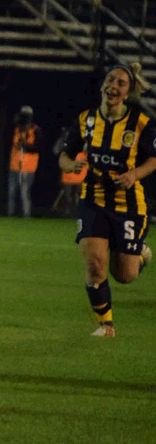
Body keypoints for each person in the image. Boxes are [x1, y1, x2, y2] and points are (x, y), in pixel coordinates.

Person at [59, 63, 156, 338]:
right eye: (111, 80)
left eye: (121, 83)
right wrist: (70, 166)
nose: (114, 86)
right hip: (93, 200)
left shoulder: (141, 123)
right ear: (103, 85)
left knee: (125, 275)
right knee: (95, 264)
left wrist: (134, 174)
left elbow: (153, 159)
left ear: (127, 92)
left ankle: (139, 253)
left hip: (129, 206)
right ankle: (106, 325)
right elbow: (65, 155)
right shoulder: (86, 120)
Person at [8, 105, 42, 217]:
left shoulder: (35, 130)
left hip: (27, 167)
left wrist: (25, 145)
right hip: (15, 165)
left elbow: (37, 147)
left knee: (24, 193)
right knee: (11, 192)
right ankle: (10, 214)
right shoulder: (17, 129)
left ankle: (26, 215)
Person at [51, 126, 86, 217]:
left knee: (80, 196)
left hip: (81, 172)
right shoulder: (65, 142)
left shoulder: (84, 139)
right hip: (68, 173)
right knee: (68, 197)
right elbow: (55, 151)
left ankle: (80, 214)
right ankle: (68, 214)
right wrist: (62, 139)